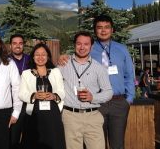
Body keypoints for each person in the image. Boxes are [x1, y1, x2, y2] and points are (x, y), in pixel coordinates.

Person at [59, 14, 135, 149]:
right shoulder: (89, 48)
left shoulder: (122, 49)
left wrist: (129, 99)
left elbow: (129, 75)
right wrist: (62, 57)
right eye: (99, 27)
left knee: (117, 144)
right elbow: (75, 59)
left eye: (107, 27)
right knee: (97, 143)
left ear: (112, 30)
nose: (103, 30)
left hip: (119, 102)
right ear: (95, 30)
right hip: (97, 103)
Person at [59, 31, 113, 149]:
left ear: (91, 46)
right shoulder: (63, 64)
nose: (82, 47)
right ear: (74, 45)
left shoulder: (99, 68)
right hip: (70, 117)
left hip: (93, 117)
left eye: (86, 44)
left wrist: (93, 97)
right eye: (79, 44)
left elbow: (109, 92)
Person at [19, 43, 66, 149]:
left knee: (53, 141)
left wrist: (54, 96)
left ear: (48, 57)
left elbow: (62, 91)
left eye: (43, 54)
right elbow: (22, 94)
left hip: (52, 115)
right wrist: (34, 95)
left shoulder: (55, 72)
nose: (40, 57)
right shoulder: (26, 74)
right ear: (33, 57)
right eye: (37, 54)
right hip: (34, 115)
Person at [9, 34, 30, 149]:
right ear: (10, 45)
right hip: (12, 104)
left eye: (20, 43)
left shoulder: (30, 59)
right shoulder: (5, 61)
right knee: (13, 138)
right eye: (15, 43)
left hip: (28, 103)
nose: (18, 46)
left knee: (28, 137)